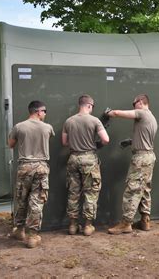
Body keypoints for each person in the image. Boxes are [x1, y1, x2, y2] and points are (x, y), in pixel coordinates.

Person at [105, 94, 158, 235]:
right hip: (149, 156)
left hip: (140, 159)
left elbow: (117, 113)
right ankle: (145, 220)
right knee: (145, 188)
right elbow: (144, 138)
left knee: (133, 189)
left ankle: (126, 223)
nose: (133, 106)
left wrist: (109, 113)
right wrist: (131, 142)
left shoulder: (142, 113)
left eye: (134, 103)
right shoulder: (152, 118)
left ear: (140, 102)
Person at [8, 100, 55, 248]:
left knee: (21, 200)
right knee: (37, 201)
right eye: (45, 111)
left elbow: (10, 144)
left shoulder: (19, 127)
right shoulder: (47, 128)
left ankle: (19, 230)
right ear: (38, 111)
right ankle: (33, 236)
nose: (45, 114)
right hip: (41, 167)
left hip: (24, 167)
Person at [62, 95, 109, 236]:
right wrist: (96, 145)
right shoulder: (94, 121)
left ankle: (72, 225)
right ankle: (88, 226)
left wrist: (77, 145)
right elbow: (106, 139)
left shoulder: (69, 121)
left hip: (73, 158)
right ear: (89, 105)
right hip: (89, 159)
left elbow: (64, 143)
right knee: (91, 193)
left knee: (73, 193)